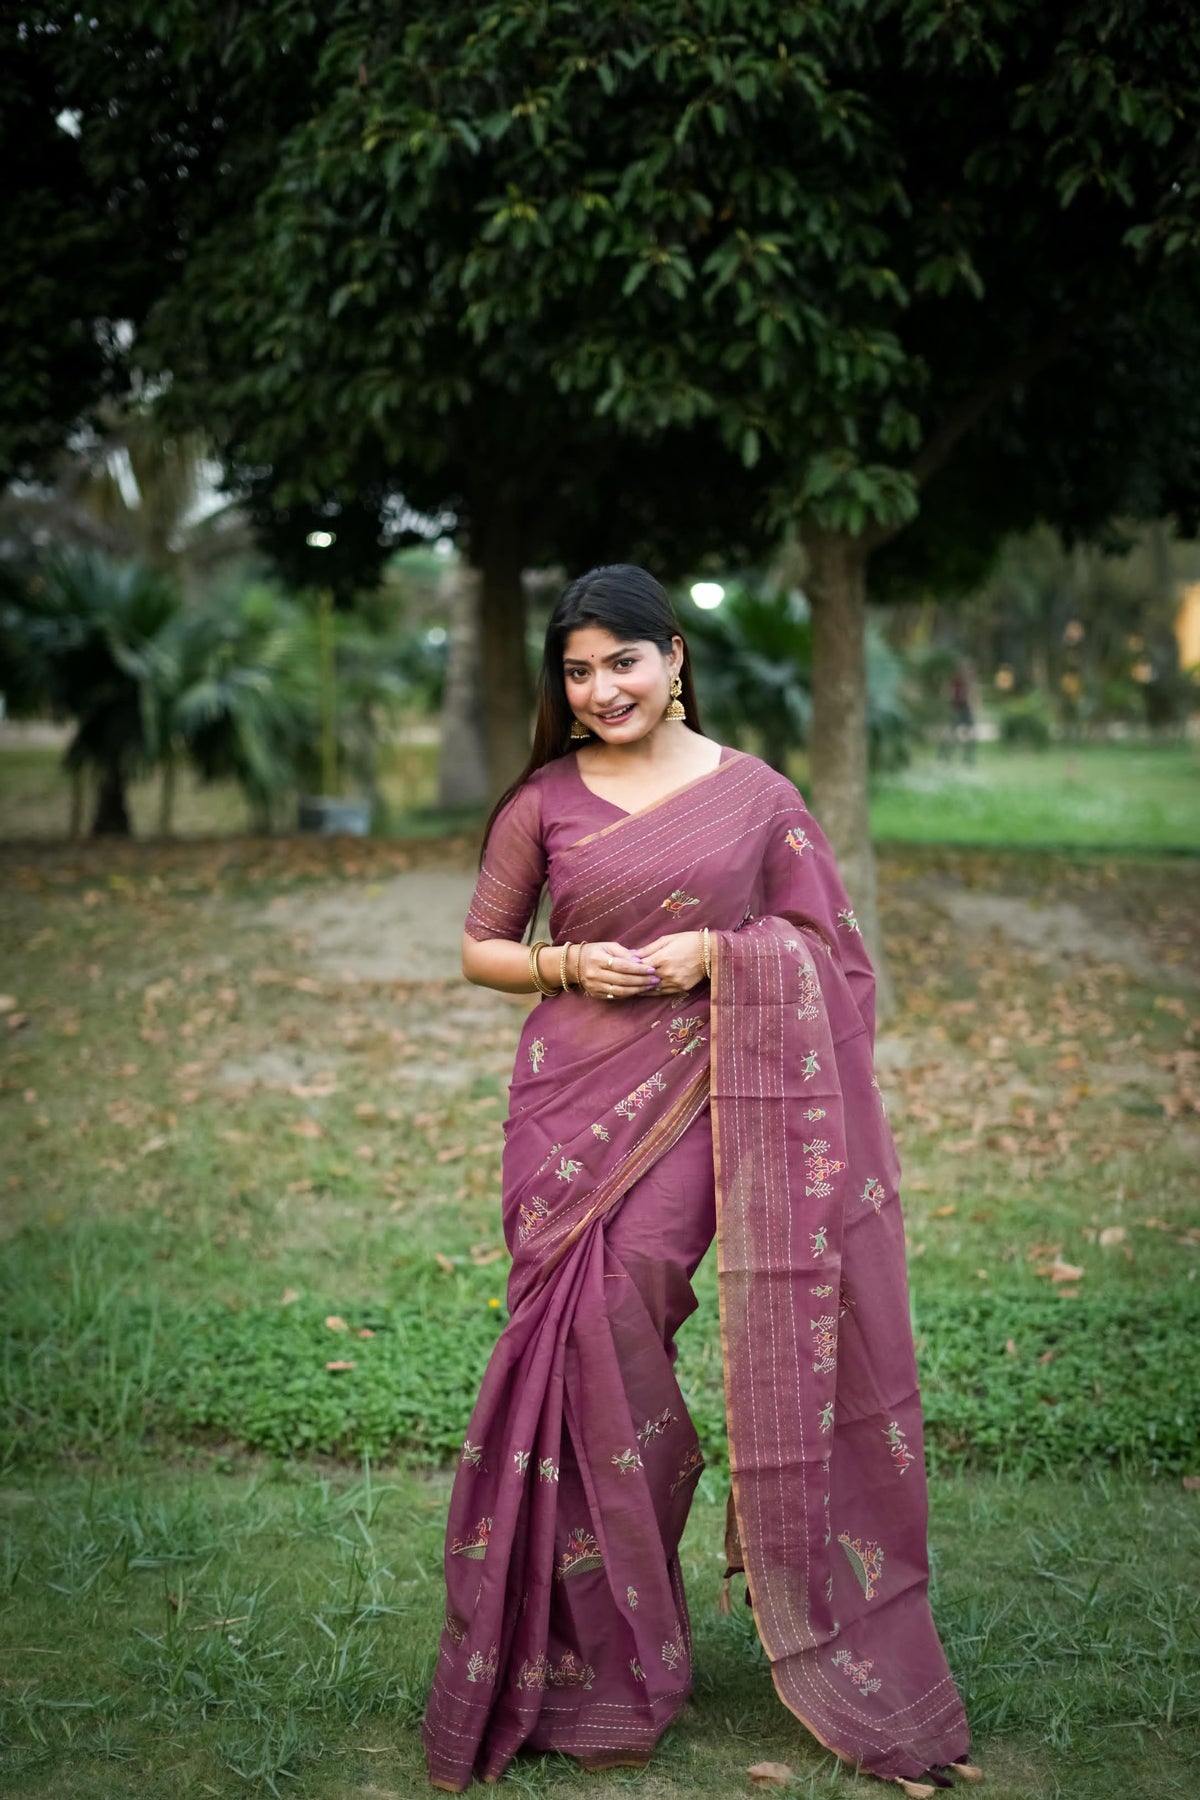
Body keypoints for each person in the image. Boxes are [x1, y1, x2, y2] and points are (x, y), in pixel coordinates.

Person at [423, 566, 977, 1797]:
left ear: (675, 657)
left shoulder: (758, 798)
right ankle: (577, 1655)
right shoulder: (542, 800)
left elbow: (829, 954)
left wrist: (719, 955)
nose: (601, 688)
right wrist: (567, 964)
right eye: (578, 669)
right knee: (569, 1345)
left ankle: (636, 1630)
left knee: (620, 1319)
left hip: (703, 1105)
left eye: (623, 660)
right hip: (565, 1107)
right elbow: (481, 948)